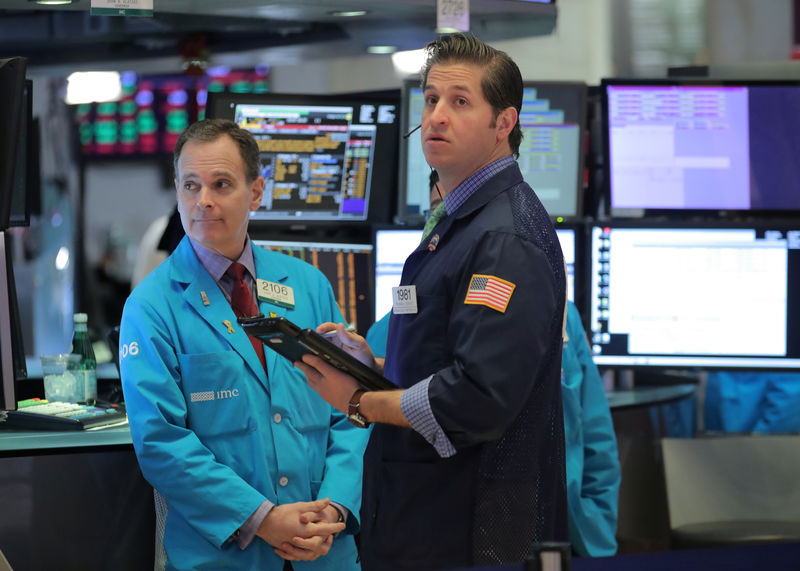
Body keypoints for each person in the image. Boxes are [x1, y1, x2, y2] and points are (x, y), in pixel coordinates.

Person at [297, 33, 568, 570]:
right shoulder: (457, 217)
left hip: (469, 529)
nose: (437, 116)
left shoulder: (504, 239)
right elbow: (448, 354)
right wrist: (373, 364)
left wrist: (359, 402)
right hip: (422, 513)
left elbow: (478, 395)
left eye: (460, 102)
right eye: (431, 99)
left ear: (504, 123)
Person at [119, 118, 370, 570]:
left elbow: (350, 413)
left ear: (256, 192)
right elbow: (161, 443)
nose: (204, 201)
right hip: (226, 556)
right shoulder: (151, 308)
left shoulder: (309, 286)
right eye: (191, 186)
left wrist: (332, 512)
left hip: (325, 551)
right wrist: (263, 519)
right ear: (176, 191)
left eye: (221, 184)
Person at [560, 301, 620, 557]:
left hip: (570, 530)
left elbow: (595, 432)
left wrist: (597, 523)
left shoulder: (564, 313)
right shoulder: (448, 304)